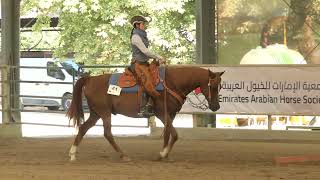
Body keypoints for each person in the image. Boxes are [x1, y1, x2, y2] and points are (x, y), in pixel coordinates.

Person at [129, 15, 165, 117]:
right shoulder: (135, 37)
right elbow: (145, 51)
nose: (144, 26)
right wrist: (158, 57)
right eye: (142, 24)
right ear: (137, 25)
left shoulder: (141, 35)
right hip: (138, 64)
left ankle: (150, 103)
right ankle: (143, 108)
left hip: (144, 63)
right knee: (147, 82)